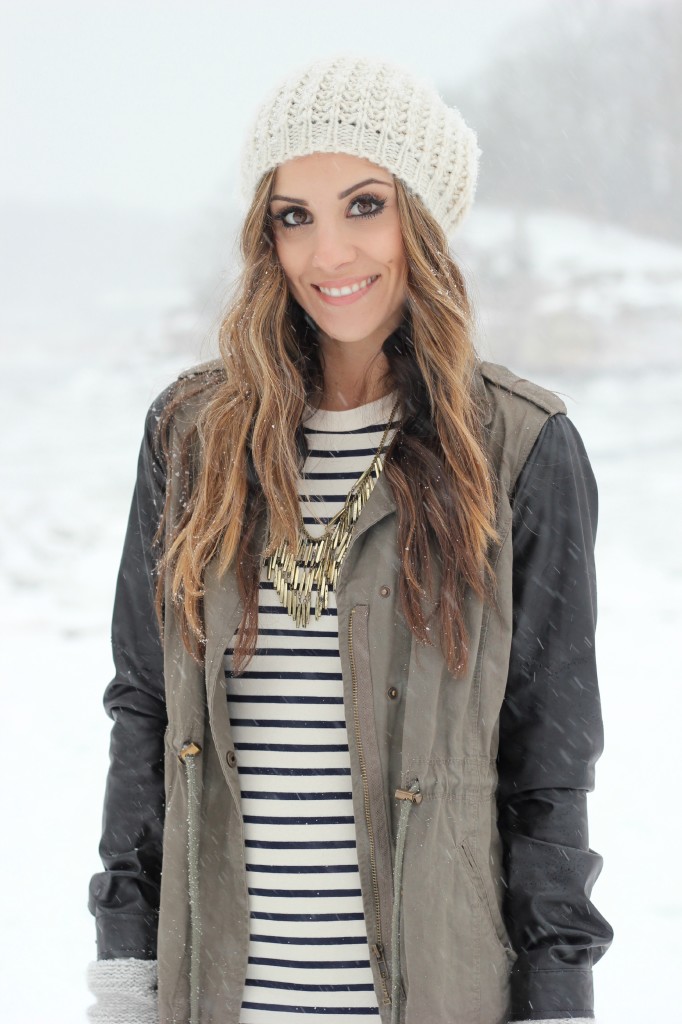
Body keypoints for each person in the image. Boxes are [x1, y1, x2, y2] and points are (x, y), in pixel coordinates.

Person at [87, 56, 613, 1024]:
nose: (329, 252)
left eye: (363, 205)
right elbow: (146, 708)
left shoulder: (519, 447)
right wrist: (124, 958)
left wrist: (556, 993)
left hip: (436, 992)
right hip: (217, 993)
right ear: (264, 234)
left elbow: (548, 755)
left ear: (420, 217)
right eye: (294, 214)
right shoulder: (190, 435)